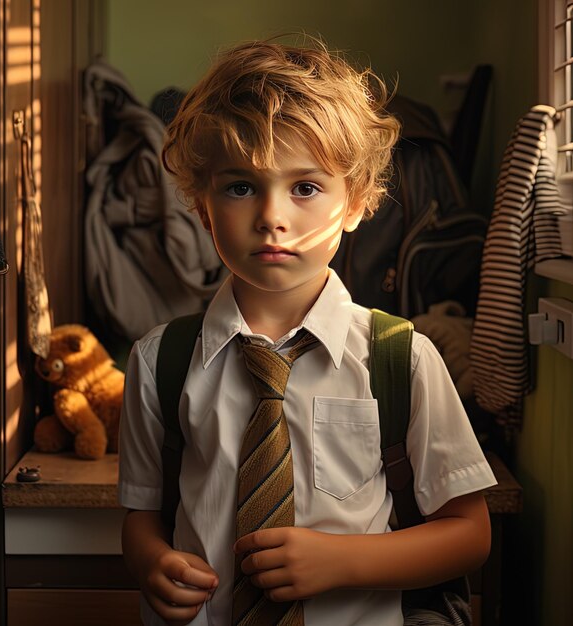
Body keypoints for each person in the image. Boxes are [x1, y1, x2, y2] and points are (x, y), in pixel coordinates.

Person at [118, 38, 497, 626]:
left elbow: (469, 535)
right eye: (240, 187)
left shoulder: (403, 358)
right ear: (201, 206)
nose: (273, 216)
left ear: (358, 203)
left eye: (305, 187)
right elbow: (141, 516)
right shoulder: (158, 361)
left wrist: (345, 561)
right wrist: (152, 563)